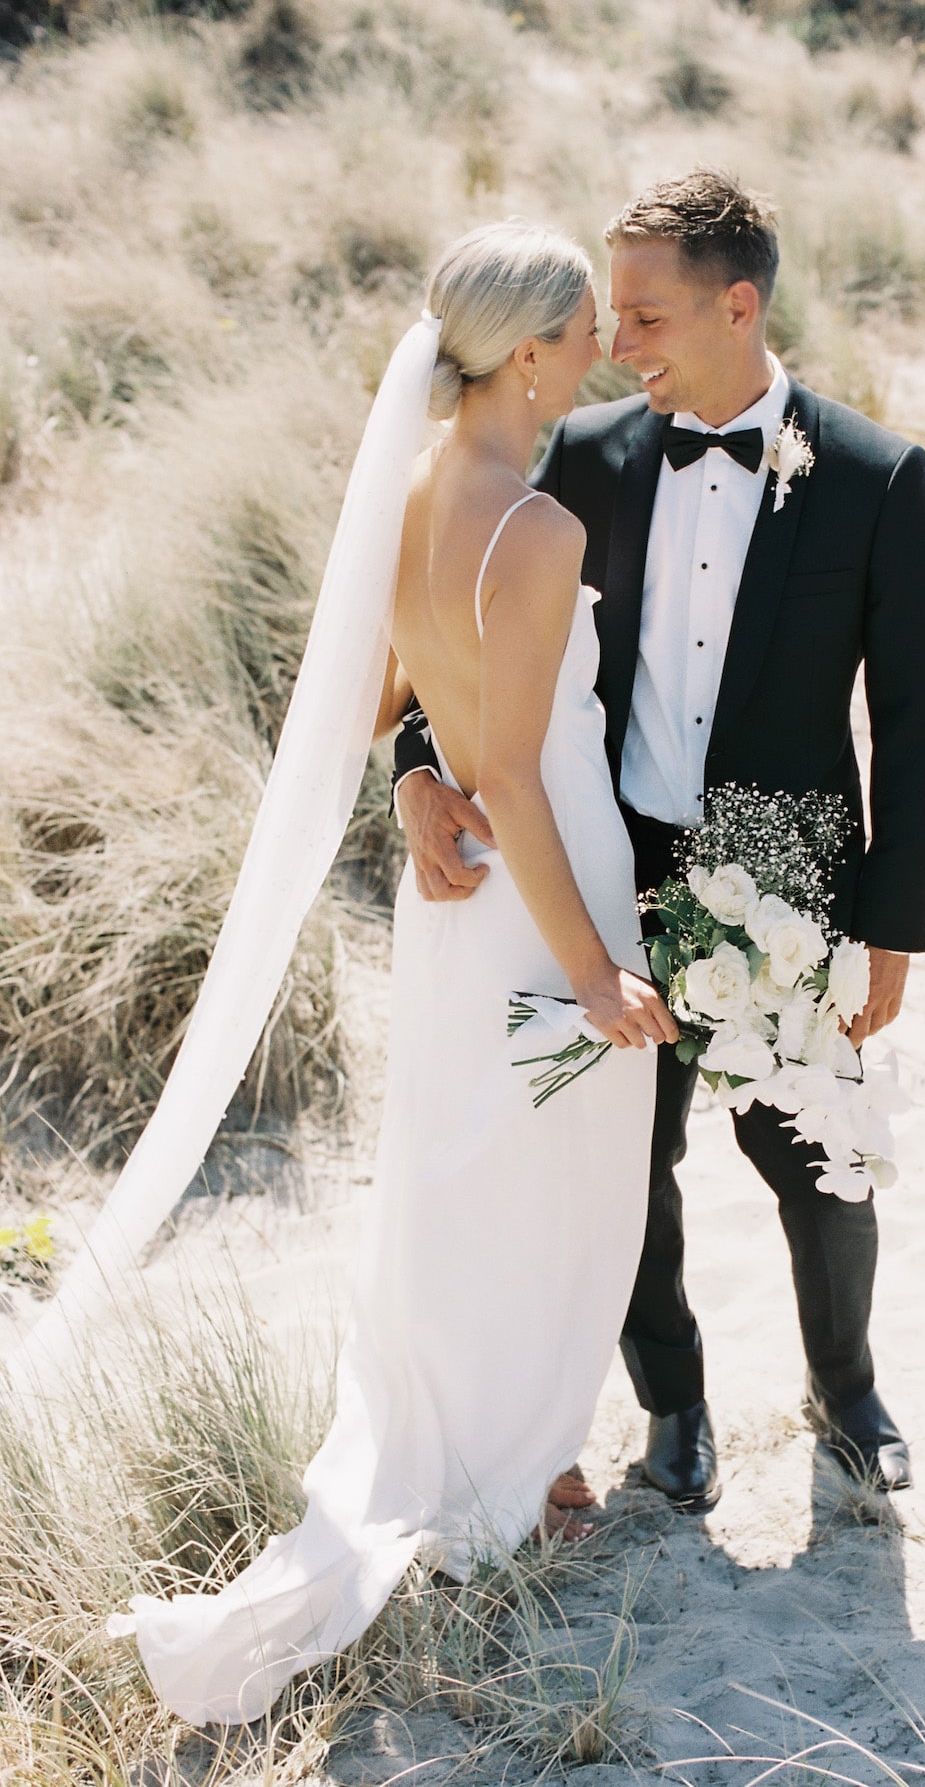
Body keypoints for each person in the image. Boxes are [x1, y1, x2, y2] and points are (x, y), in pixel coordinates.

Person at [102, 220, 676, 1725]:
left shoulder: (417, 492)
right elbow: (525, 780)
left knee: (461, 1168)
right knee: (550, 1179)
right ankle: (507, 1463)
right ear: (534, 353)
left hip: (451, 900)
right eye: (580, 335)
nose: (600, 355)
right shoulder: (536, 532)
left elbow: (379, 711)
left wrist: (419, 778)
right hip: (533, 890)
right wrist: (600, 973)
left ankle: (505, 1442)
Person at [394, 169, 925, 1507]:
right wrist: (418, 764)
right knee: (622, 1171)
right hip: (604, 871)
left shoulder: (878, 478)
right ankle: (675, 1409)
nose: (613, 342)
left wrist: (893, 918)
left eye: (643, 316)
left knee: (816, 1151)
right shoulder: (584, 462)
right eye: (606, 316)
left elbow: (921, 720)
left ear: (740, 304)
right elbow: (470, 652)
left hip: (791, 885)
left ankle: (849, 1387)